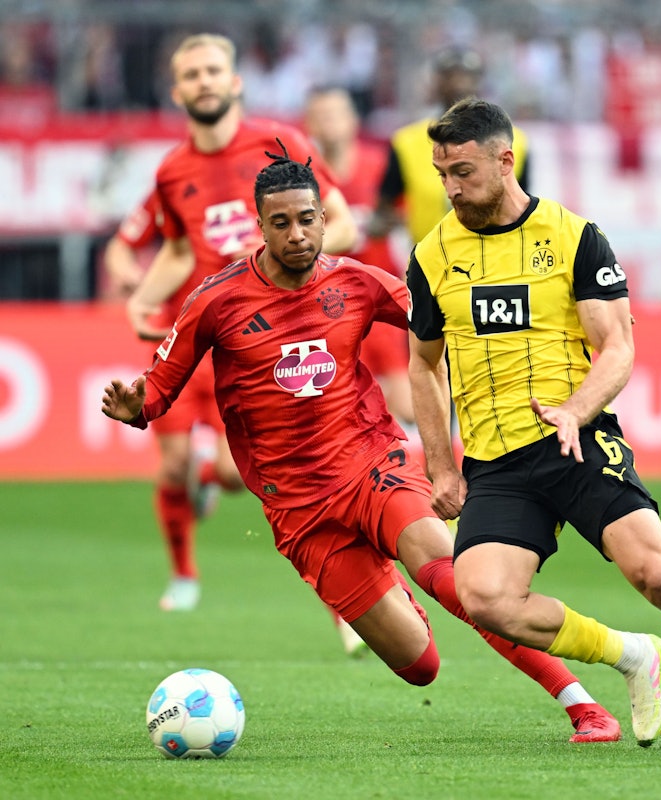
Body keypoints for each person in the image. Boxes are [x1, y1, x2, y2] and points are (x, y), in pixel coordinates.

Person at [101, 146, 621, 744]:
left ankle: (583, 705)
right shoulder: (216, 300)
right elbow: (159, 389)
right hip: (299, 510)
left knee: (458, 583)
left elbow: (446, 324)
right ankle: (386, 578)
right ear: (260, 226)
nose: (296, 234)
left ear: (324, 218)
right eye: (280, 223)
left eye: (307, 219)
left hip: (373, 464)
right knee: (420, 666)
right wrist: (136, 408)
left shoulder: (357, 281)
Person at [406, 98, 661, 751]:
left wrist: (576, 411)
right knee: (485, 599)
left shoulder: (572, 237)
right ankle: (631, 654)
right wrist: (441, 466)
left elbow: (617, 346)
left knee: (660, 578)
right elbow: (422, 364)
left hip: (578, 442)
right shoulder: (432, 254)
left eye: (463, 172)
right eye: (442, 173)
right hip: (496, 463)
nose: (451, 188)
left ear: (505, 161)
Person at [123, 33, 358, 618]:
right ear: (177, 92)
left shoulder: (280, 145)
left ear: (234, 81)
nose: (203, 81)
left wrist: (282, 259)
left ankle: (212, 479)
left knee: (235, 474)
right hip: (194, 334)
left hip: (262, 340)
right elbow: (178, 250)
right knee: (171, 464)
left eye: (212, 71)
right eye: (191, 74)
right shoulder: (172, 171)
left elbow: (343, 225)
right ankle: (183, 574)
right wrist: (142, 299)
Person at [303, 85, 412, 425]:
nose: (329, 123)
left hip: (380, 302)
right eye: (321, 116)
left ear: (353, 120)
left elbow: (410, 221)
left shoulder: (380, 168)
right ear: (309, 124)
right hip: (328, 307)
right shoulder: (304, 178)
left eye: (335, 114)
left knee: (407, 408)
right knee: (334, 413)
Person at [368, 46, 529, 248]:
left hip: (494, 256)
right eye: (450, 76)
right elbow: (384, 207)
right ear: (435, 83)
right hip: (428, 257)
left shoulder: (514, 141)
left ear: (479, 82)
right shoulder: (407, 142)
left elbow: (522, 208)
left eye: (466, 76)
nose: (458, 84)